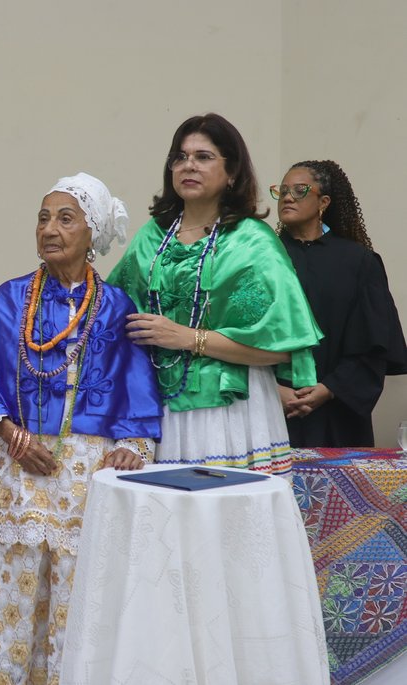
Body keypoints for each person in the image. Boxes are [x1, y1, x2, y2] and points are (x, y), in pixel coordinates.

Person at [0, 173, 162, 685]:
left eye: (65, 218)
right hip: (12, 476)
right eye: (43, 217)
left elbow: (138, 396)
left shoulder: (117, 307)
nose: (50, 229)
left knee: (75, 601)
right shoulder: (10, 299)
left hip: (83, 482)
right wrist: (11, 435)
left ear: (93, 232)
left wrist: (132, 444)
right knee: (2, 602)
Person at [109, 113, 321, 476]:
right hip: (161, 406)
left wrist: (189, 338)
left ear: (232, 172)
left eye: (203, 157)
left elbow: (282, 346)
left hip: (232, 412)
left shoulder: (254, 242)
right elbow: (113, 315)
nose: (188, 165)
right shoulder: (151, 237)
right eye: (180, 156)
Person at [272, 160, 407, 446]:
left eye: (298, 190)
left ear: (324, 201)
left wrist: (330, 388)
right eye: (282, 190)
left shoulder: (359, 262)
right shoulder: (262, 259)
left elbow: (375, 344)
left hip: (336, 414)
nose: (286, 197)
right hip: (270, 409)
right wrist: (272, 390)